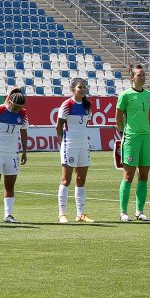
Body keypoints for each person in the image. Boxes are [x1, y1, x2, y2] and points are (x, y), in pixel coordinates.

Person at [0, 88, 28, 224]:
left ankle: (8, 215)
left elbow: (24, 132)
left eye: (20, 107)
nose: (17, 110)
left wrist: (24, 151)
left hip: (12, 153)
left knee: (10, 185)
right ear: (9, 101)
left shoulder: (23, 114)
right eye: (16, 107)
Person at [116, 65, 150, 222]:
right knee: (128, 175)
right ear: (132, 78)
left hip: (146, 137)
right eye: (139, 75)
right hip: (131, 138)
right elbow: (118, 117)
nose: (142, 78)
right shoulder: (125, 95)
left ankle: (139, 211)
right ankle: (123, 212)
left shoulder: (148, 95)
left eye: (143, 75)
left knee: (144, 175)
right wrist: (124, 132)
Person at [55, 78, 95, 223]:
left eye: (84, 87)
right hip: (69, 144)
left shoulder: (87, 106)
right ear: (73, 89)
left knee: (81, 179)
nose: (83, 89)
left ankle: (80, 214)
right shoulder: (67, 105)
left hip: (84, 145)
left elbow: (85, 125)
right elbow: (58, 126)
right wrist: (63, 143)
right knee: (66, 179)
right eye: (80, 87)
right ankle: (62, 213)